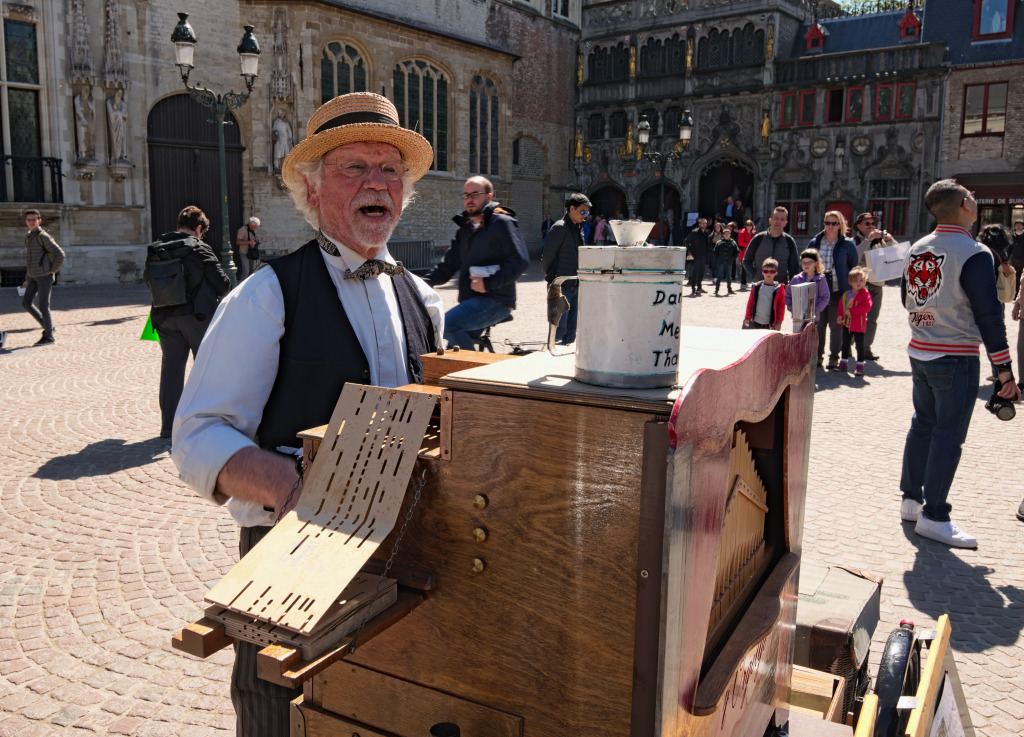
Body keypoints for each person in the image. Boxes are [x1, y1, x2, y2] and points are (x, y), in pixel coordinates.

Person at [171, 91, 443, 735]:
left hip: (403, 544)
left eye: (390, 171)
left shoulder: (423, 298)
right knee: (275, 705)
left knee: (387, 699)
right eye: (355, 169)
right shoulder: (265, 296)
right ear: (313, 191)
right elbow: (196, 435)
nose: (377, 183)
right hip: (287, 546)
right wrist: (288, 488)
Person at [899, 179, 1020, 548]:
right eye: (971, 196)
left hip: (921, 348)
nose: (975, 199)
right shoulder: (973, 251)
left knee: (924, 424)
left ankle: (910, 498)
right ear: (965, 206)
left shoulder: (918, 247)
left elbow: (907, 298)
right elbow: (988, 314)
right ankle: (934, 514)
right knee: (948, 434)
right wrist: (1004, 369)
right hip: (955, 353)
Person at [146, 206, 230, 438]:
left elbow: (148, 281)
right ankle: (207, 423)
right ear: (199, 229)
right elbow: (223, 286)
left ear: (178, 226)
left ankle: (168, 427)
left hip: (164, 317)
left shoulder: (156, 248)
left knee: (171, 371)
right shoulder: (200, 248)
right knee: (205, 370)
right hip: (197, 317)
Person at [425, 177, 528, 350]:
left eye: (475, 194)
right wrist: (420, 284)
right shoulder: (465, 229)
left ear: (489, 196)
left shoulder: (502, 223)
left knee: (447, 325)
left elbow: (520, 261)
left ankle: (473, 373)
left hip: (496, 300)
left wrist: (488, 284)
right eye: (466, 195)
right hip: (471, 301)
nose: (469, 199)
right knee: (453, 351)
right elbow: (448, 265)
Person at [806, 211, 858, 369]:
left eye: (834, 223)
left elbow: (853, 268)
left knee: (836, 325)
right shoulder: (815, 242)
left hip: (838, 289)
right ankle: (818, 356)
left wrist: (852, 292)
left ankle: (834, 357)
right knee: (819, 324)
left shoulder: (847, 244)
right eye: (827, 223)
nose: (830, 226)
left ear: (840, 225)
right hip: (819, 290)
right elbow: (806, 263)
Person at [542, 192, 591, 345]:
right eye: (582, 211)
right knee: (558, 328)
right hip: (560, 285)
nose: (585, 215)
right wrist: (551, 277)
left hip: (575, 284)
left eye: (587, 212)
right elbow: (547, 258)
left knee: (571, 331)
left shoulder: (579, 228)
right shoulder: (559, 228)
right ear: (572, 209)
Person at [853, 212, 896, 361]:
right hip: (860, 285)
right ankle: (849, 343)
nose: (871, 227)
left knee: (873, 317)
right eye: (867, 224)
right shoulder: (855, 240)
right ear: (859, 226)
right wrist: (867, 240)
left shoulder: (880, 241)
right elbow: (854, 256)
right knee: (856, 316)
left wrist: (889, 239)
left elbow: (897, 253)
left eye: (873, 224)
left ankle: (866, 348)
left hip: (877, 283)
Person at [21, 209, 65, 346]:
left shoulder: (43, 236)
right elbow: (30, 259)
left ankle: (49, 337)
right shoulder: (29, 236)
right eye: (29, 220)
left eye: (34, 219)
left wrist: (52, 270)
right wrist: (27, 277)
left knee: (43, 306)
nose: (31, 222)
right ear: (26, 222)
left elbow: (60, 254)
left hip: (44, 277)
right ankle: (48, 327)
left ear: (39, 221)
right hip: (33, 277)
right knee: (26, 302)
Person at [743, 206, 800, 284]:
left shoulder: (789, 241)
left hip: (781, 287)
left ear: (785, 223)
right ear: (770, 220)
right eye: (776, 218)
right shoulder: (758, 238)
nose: (778, 221)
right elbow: (746, 260)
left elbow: (794, 267)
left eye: (782, 219)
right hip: (760, 286)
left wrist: (791, 285)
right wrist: (755, 275)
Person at [836, 266, 873, 376]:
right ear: (850, 282)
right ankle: (843, 363)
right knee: (845, 344)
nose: (859, 283)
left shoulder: (865, 294)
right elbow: (841, 307)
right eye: (856, 281)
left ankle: (860, 366)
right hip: (846, 324)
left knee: (859, 346)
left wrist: (852, 311)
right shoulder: (846, 294)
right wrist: (839, 316)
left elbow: (867, 307)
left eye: (861, 280)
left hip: (858, 325)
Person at [786, 248, 830, 334]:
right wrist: (791, 307)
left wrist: (816, 309)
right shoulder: (796, 279)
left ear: (815, 263)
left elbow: (825, 297)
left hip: (813, 317)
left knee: (811, 341)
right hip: (798, 317)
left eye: (809, 262)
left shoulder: (820, 279)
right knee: (798, 339)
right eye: (804, 262)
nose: (806, 265)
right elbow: (788, 295)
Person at [743, 258, 785, 330]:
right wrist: (747, 317)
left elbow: (781, 306)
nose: (769, 273)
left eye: (772, 271)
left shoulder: (779, 288)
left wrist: (779, 322)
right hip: (755, 321)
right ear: (762, 272)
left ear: (776, 273)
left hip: (770, 323)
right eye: (766, 271)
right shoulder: (756, 286)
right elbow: (750, 303)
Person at [684, 218, 711, 296]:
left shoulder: (707, 232)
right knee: (695, 272)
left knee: (702, 271)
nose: (704, 225)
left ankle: (699, 287)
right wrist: (689, 251)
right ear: (699, 224)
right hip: (695, 255)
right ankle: (693, 288)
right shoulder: (694, 232)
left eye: (705, 223)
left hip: (703, 254)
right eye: (702, 223)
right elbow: (686, 241)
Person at [713, 223, 739, 295]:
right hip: (721, 261)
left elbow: (736, 251)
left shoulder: (733, 242)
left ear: (730, 235)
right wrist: (718, 258)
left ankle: (729, 289)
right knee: (719, 276)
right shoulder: (719, 243)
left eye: (728, 234)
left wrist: (732, 258)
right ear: (723, 235)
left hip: (729, 262)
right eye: (725, 234)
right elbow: (715, 252)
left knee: (729, 276)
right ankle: (717, 289)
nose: (727, 235)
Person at [234, 216, 262, 281]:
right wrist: (249, 242)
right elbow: (238, 241)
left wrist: (257, 243)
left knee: (252, 270)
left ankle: (250, 284)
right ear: (250, 224)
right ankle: (242, 286)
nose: (256, 227)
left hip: (252, 253)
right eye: (255, 226)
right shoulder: (242, 230)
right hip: (244, 252)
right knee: (246, 271)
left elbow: (255, 239)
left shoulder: (253, 230)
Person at [737, 218, 755, 290]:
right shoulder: (742, 232)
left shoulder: (753, 232)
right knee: (744, 269)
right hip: (744, 253)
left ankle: (752, 281)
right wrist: (749, 244)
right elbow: (740, 242)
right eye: (747, 225)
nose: (749, 226)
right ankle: (743, 282)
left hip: (752, 253)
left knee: (752, 268)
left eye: (750, 225)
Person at [1010, 218, 1024, 297]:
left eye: (1020, 225)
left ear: (1022, 226)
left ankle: (1020, 294)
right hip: (1014, 259)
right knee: (1014, 277)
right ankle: (1014, 294)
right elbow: (1009, 248)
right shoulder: (1012, 236)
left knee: (1021, 277)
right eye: (1016, 225)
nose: (1018, 227)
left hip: (1022, 259)